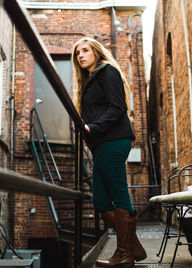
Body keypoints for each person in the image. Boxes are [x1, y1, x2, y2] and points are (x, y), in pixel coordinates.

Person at [72, 37, 147, 267]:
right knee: (102, 199)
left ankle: (124, 254)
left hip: (114, 141)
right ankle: (134, 247)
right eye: (77, 53)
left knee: (118, 193)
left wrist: (92, 128)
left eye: (85, 50)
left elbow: (118, 107)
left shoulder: (107, 72)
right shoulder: (90, 80)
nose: (81, 55)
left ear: (96, 51)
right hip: (102, 145)